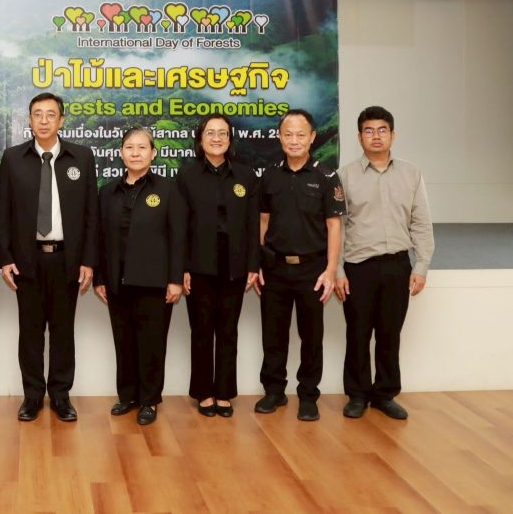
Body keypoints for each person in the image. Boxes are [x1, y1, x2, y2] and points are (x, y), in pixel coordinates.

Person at [0, 92, 98, 422]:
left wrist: (88, 260)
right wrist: (5, 257)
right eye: (37, 114)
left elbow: (91, 213)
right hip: (26, 260)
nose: (43, 120)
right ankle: (32, 397)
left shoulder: (82, 157)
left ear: (61, 120)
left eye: (50, 114)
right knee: (30, 333)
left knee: (62, 332)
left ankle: (60, 396)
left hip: (66, 260)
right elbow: (3, 212)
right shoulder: (13, 158)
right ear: (29, 119)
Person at [336, 106, 434, 420]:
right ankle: (357, 395)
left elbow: (421, 222)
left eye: (382, 130)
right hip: (358, 267)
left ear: (392, 134)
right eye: (369, 131)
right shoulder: (345, 176)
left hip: (397, 266)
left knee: (390, 334)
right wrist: (337, 270)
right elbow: (337, 227)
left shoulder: (411, 173)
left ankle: (385, 395)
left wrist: (421, 265)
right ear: (359, 137)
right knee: (358, 334)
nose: (376, 136)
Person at [255, 109, 345, 421]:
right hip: (275, 268)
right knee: (273, 335)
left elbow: (334, 226)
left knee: (311, 337)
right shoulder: (269, 175)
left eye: (300, 135)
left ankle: (308, 396)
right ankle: (274, 391)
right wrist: (260, 260)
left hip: (313, 270)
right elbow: (263, 221)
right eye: (288, 134)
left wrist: (331, 270)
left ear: (312, 137)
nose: (294, 140)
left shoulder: (326, 176)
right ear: (279, 137)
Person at [93, 127, 183, 426]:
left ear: (153, 153)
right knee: (124, 341)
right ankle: (127, 395)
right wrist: (100, 278)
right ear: (121, 153)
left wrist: (175, 279)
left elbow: (178, 237)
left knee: (152, 343)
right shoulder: (107, 192)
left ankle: (149, 400)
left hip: (154, 281)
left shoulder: (168, 189)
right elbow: (99, 238)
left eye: (142, 147)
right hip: (116, 281)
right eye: (129, 147)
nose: (135, 153)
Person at [175, 115, 260, 418]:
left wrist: (253, 264)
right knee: (201, 331)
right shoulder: (187, 175)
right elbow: (180, 225)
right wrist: (182, 268)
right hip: (198, 266)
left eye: (222, 133)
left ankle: (224, 393)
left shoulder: (246, 175)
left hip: (234, 267)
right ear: (200, 139)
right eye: (210, 133)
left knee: (228, 331)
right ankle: (204, 392)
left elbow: (253, 224)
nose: (216, 138)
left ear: (230, 139)